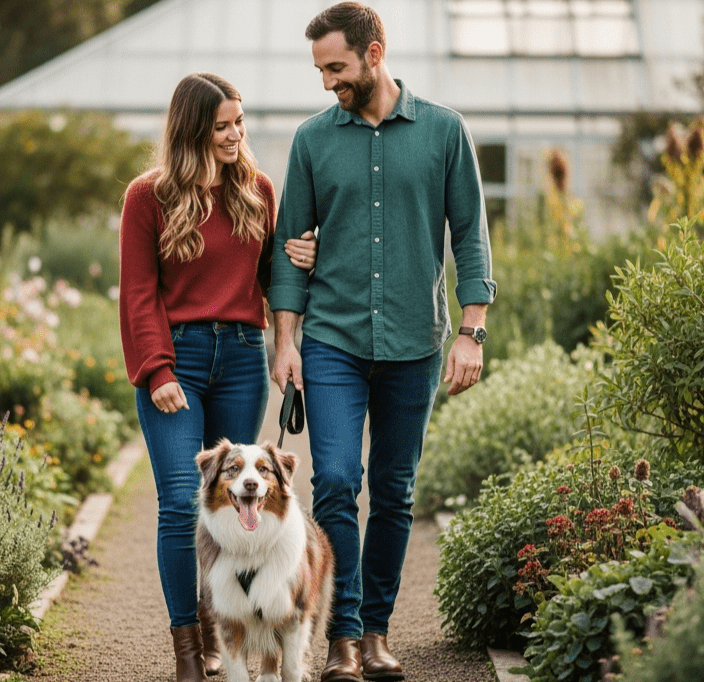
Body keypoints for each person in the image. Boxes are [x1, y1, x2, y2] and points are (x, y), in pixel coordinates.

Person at [268, 4, 497, 681]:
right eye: (319, 70)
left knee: (393, 492)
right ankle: (339, 638)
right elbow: (288, 251)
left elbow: (470, 237)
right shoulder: (312, 141)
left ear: (374, 53)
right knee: (335, 481)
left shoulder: (444, 131)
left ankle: (375, 633)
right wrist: (286, 340)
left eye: (335, 68)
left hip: (413, 342)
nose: (326, 83)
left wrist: (471, 333)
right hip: (333, 339)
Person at [118, 72, 317, 682]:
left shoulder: (254, 189)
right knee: (182, 505)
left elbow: (268, 278)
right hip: (175, 359)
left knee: (235, 500)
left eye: (240, 123)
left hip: (239, 360)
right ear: (192, 132)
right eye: (222, 126)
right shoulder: (147, 197)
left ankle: (218, 634)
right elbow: (138, 293)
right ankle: (187, 648)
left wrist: (298, 262)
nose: (236, 135)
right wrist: (155, 369)